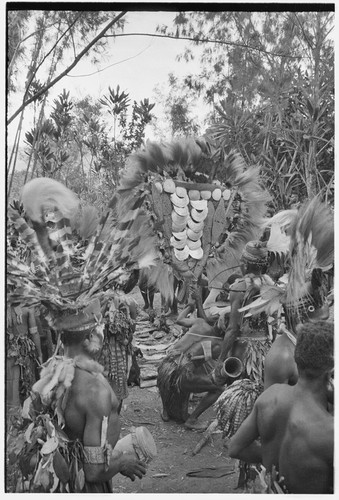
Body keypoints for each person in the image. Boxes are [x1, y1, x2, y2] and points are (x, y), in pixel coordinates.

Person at [228, 320, 334, 494]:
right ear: (331, 368)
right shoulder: (329, 431)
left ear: (297, 358)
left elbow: (235, 447)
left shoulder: (271, 396)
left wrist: (272, 459)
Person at [157, 302, 227, 431]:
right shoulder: (220, 344)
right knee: (218, 388)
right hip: (180, 372)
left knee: (188, 374)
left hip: (165, 365)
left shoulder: (200, 322)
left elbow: (179, 320)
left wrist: (189, 306)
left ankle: (166, 411)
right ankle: (192, 420)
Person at [6, 301, 43, 411]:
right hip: (23, 353)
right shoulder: (27, 308)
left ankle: (11, 418)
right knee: (27, 385)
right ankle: (28, 418)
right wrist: (39, 354)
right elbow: (34, 334)